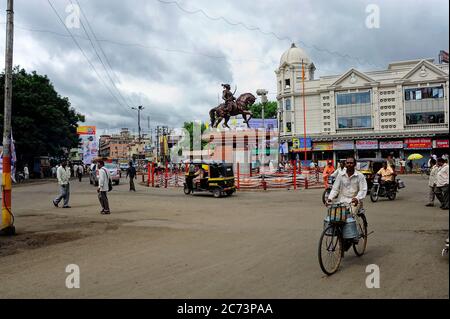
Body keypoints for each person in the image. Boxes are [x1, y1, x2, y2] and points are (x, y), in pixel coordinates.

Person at [327, 157, 368, 222]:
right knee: (334, 217)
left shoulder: (360, 176)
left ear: (355, 164)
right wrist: (330, 198)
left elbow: (363, 190)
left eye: (351, 163)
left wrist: (357, 198)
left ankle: (356, 230)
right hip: (341, 200)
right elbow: (335, 189)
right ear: (345, 164)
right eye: (348, 163)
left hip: (354, 201)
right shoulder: (340, 175)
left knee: (350, 218)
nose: (349, 164)